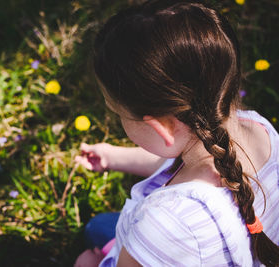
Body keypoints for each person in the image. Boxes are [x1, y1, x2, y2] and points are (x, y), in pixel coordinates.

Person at [74, 0, 279, 266]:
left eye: (119, 114)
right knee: (99, 226)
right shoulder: (257, 129)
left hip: (167, 243)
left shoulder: (163, 225)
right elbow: (173, 163)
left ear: (164, 128)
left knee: (93, 235)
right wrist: (113, 158)